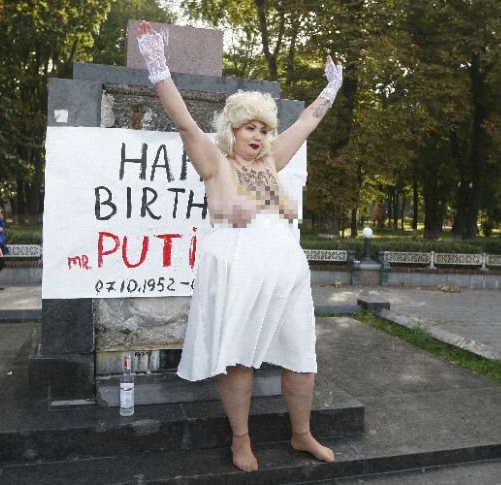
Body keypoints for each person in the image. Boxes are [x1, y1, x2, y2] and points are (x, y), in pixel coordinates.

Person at [136, 20, 342, 472]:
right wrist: (156, 62)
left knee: (302, 356)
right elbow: (185, 122)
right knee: (238, 359)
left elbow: (307, 121)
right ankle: (241, 440)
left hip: (287, 269)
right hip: (237, 269)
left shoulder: (273, 160)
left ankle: (302, 433)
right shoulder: (214, 161)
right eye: (249, 127)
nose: (258, 136)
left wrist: (332, 87)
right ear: (232, 130)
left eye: (264, 129)